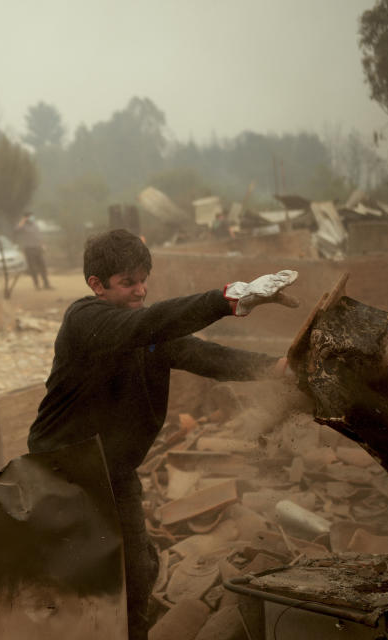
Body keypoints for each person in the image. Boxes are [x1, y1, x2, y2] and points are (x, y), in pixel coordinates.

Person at [26, 229, 298, 640]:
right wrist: (227, 299)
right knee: (75, 580)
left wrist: (276, 369)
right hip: (61, 475)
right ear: (96, 286)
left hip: (114, 473)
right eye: (127, 282)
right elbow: (149, 322)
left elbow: (204, 354)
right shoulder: (85, 321)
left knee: (137, 572)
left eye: (143, 278)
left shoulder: (149, 335)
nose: (140, 290)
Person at [15, 212, 52, 290]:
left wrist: (43, 244)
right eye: (30, 217)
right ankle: (37, 285)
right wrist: (23, 221)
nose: (32, 218)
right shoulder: (23, 226)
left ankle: (46, 284)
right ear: (26, 218)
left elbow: (39, 235)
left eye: (32, 216)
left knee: (42, 266)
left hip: (38, 248)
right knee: (33, 268)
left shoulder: (35, 225)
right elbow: (16, 230)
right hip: (29, 249)